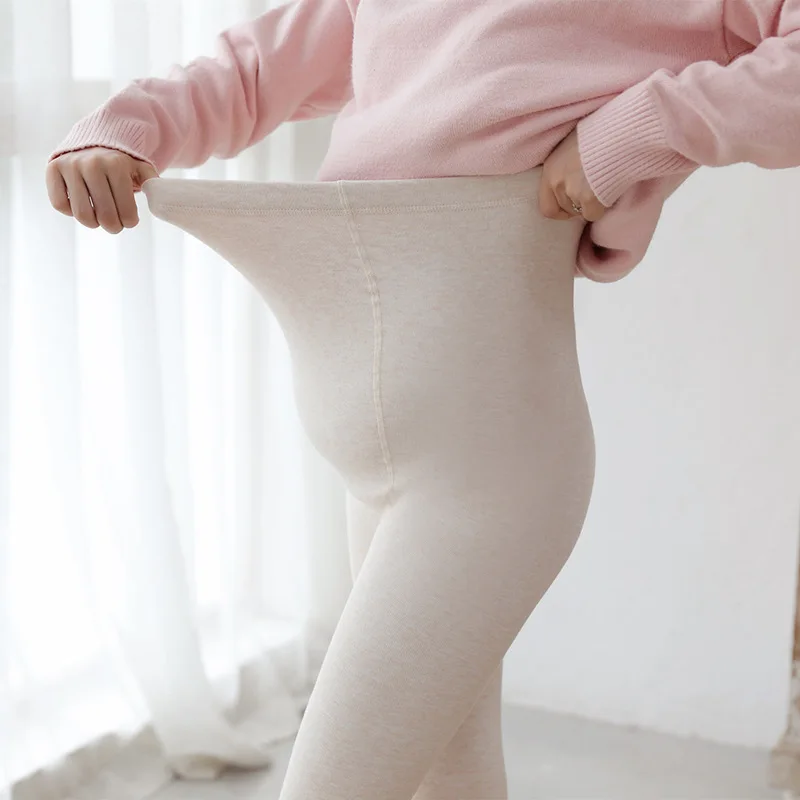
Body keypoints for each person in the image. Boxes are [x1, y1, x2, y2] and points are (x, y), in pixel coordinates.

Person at [45, 2, 800, 798]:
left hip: (486, 459)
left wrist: (636, 130)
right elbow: (254, 70)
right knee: (451, 773)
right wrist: (123, 128)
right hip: (374, 445)